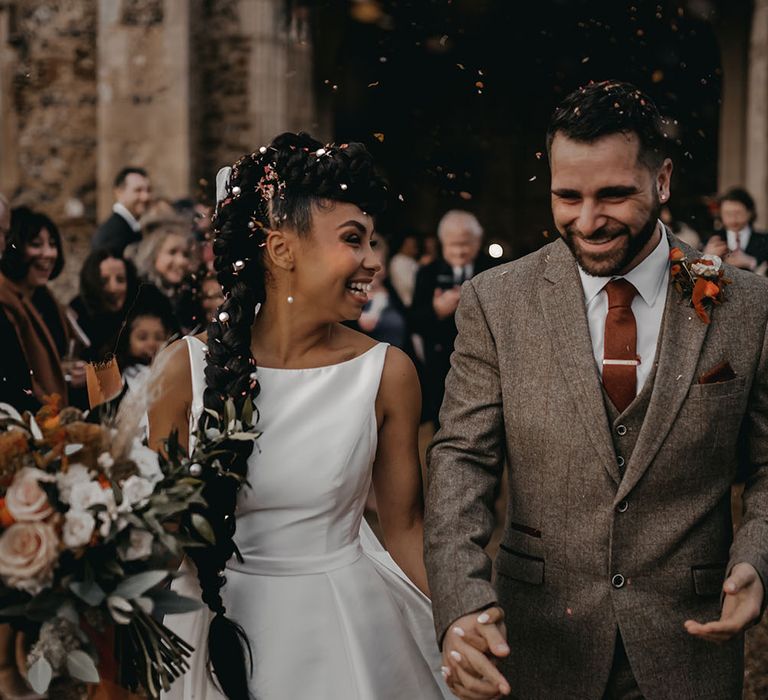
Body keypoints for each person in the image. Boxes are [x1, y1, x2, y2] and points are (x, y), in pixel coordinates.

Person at [425, 80, 768, 700]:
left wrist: (757, 560)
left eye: (613, 194)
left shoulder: (747, 306)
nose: (587, 221)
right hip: (535, 646)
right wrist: (461, 602)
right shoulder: (496, 301)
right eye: (567, 196)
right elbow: (461, 460)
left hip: (688, 649)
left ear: (662, 182)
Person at [147, 132, 450, 700]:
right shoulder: (182, 371)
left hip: (343, 627)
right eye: (353, 240)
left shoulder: (387, 374)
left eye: (373, 241)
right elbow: (152, 537)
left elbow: (406, 529)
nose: (374, 262)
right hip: (204, 632)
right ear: (282, 249)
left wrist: (460, 620)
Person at [410, 210, 499, 427]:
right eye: (453, 245)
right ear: (442, 244)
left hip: (486, 363)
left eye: (465, 244)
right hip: (442, 363)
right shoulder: (428, 272)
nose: (459, 252)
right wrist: (437, 309)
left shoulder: (495, 269)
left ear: (478, 242)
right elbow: (413, 320)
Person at [0, 207, 84, 410]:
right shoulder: (6, 299)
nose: (48, 254)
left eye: (53, 245)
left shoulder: (46, 299)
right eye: (36, 245)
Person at [68, 249, 139, 363]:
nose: (113, 288)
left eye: (120, 280)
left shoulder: (137, 311)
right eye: (104, 281)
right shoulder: (77, 312)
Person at [132, 223, 203, 333]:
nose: (181, 261)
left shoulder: (189, 296)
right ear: (153, 254)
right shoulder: (138, 295)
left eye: (185, 254)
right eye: (172, 252)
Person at [703, 187, 768, 274]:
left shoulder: (765, 240)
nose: (733, 219)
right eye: (727, 214)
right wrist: (707, 256)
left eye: (738, 213)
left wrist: (751, 262)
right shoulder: (711, 239)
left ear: (750, 212)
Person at [91, 167, 151, 255]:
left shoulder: (134, 227)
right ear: (119, 192)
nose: (146, 197)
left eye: (149, 190)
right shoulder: (112, 233)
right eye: (138, 190)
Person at [389, 233, 420, 306]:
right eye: (410, 244)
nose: (414, 247)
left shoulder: (412, 260)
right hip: (407, 303)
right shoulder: (398, 261)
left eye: (415, 244)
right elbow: (408, 285)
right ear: (403, 245)